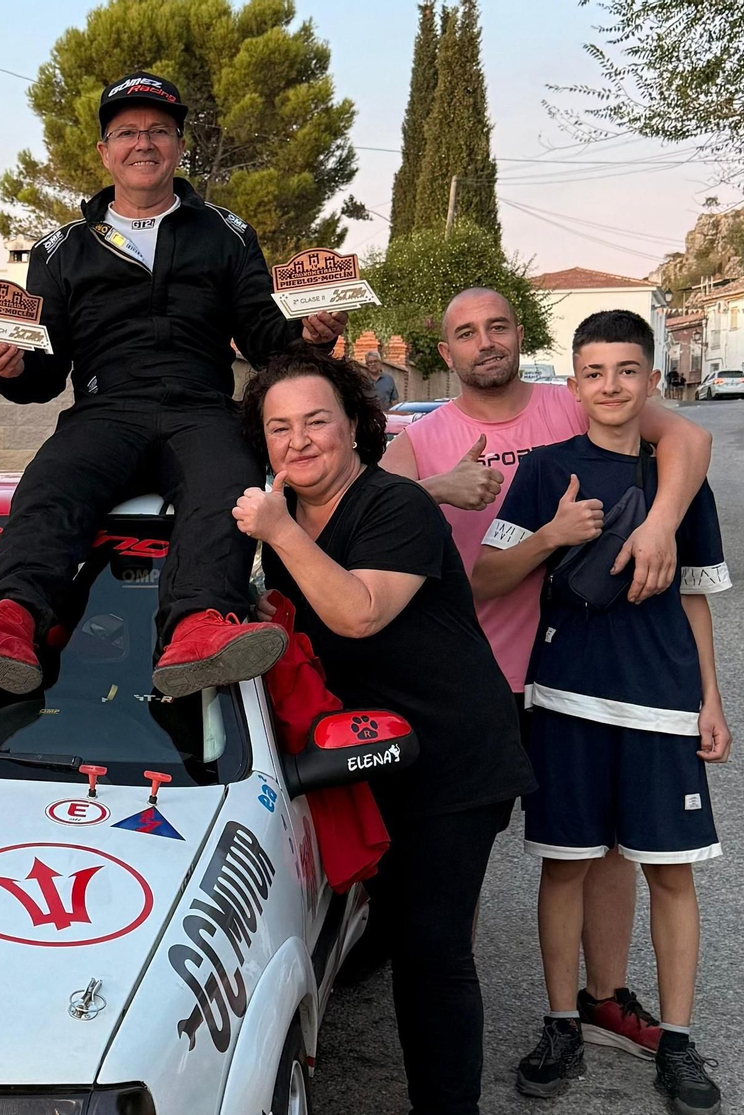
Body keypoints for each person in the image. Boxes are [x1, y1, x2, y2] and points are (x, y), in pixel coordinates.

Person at [0, 72, 346, 699]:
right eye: (128, 132)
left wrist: (311, 333)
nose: (145, 143)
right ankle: (9, 621)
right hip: (104, 408)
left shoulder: (227, 232)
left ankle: (199, 628)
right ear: (104, 151)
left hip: (202, 405)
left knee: (229, 486)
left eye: (159, 131)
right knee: (51, 482)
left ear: (179, 145)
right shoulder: (59, 249)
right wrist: (12, 369)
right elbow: (44, 371)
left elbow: (263, 338)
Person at [380, 287, 713, 1060]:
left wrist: (661, 523)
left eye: (497, 326)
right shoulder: (424, 437)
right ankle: (446, 1011)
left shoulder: (575, 404)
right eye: (465, 331)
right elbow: (359, 505)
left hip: (583, 676)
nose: (484, 341)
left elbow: (688, 443)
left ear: (519, 334)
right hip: (480, 678)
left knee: (602, 851)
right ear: (444, 348)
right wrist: (433, 491)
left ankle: (599, 998)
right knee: (457, 857)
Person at [236, 348, 535, 1115]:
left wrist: (276, 531)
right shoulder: (284, 513)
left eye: (316, 422)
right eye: (279, 428)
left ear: (355, 426)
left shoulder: (396, 504)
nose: (299, 441)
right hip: (367, 751)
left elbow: (357, 610)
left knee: (432, 952)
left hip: (450, 760)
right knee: (398, 922)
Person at [471, 310, 729, 1112]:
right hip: (567, 698)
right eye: (594, 371)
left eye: (627, 370)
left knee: (673, 873)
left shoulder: (681, 479)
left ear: (652, 380)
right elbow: (483, 573)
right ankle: (561, 1021)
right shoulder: (548, 468)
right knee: (567, 864)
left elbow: (694, 599)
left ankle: (678, 1042)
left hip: (661, 705)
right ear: (573, 382)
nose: (611, 385)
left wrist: (710, 700)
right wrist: (552, 534)